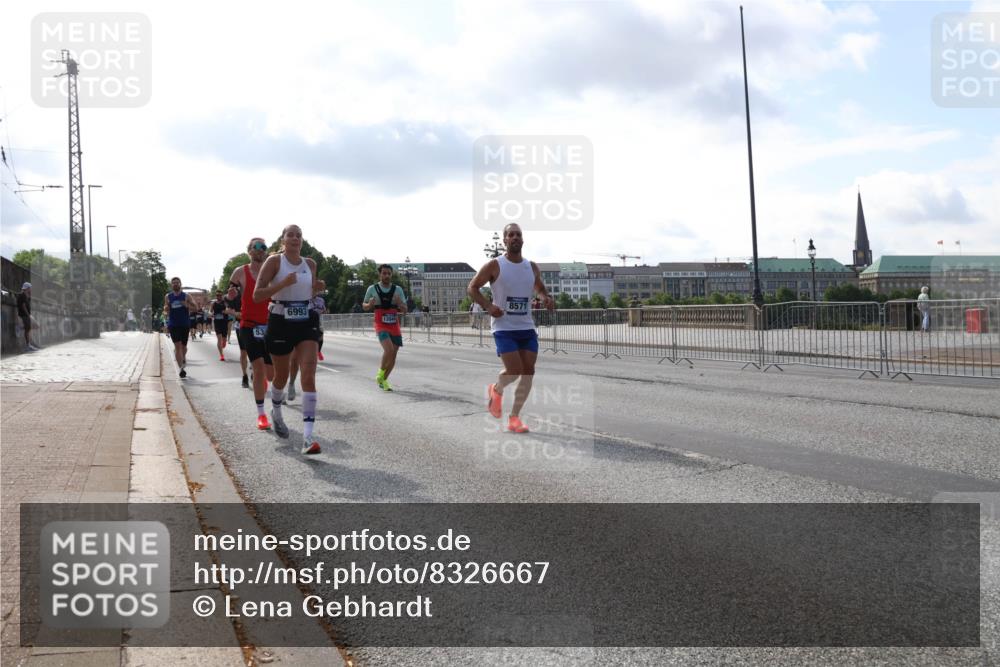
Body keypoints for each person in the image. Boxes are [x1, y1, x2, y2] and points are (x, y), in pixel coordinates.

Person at [468, 223, 554, 433]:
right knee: (514, 370)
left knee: (528, 371)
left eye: (518, 235)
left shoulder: (531, 267)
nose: (515, 237)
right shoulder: (494, 265)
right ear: (505, 240)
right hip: (503, 327)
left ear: (522, 240)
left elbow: (540, 288)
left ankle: (514, 417)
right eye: (511, 235)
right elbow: (472, 288)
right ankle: (497, 389)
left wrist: (545, 298)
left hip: (526, 326)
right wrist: (488, 306)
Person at [253, 225, 326, 454]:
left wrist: (317, 289)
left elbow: (308, 292)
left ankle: (308, 437)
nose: (295, 238)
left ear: (302, 240)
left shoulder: (310, 264)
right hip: (280, 319)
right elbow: (257, 295)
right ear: (283, 240)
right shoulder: (275, 262)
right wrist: (282, 284)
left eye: (299, 235)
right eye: (290, 235)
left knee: (308, 373)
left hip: (306, 320)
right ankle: (276, 410)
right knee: (281, 377)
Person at [230, 238, 277, 429]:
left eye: (263, 247)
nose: (260, 250)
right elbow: (229, 294)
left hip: (271, 325)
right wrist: (231, 297)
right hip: (249, 325)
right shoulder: (240, 271)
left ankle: (261, 380)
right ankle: (261, 415)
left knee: (272, 375)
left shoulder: (273, 271)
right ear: (249, 250)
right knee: (258, 368)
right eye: (256, 247)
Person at [363, 264, 408, 391]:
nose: (386, 275)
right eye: (384, 273)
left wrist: (400, 304)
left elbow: (405, 310)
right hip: (380, 323)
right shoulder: (372, 288)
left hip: (394, 324)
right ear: (380, 274)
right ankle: (380, 374)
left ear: (391, 274)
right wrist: (370, 304)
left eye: (389, 273)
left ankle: (384, 380)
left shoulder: (397, 289)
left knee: (393, 355)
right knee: (388, 350)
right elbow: (364, 306)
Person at [163, 277, 198, 377]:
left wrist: (186, 305)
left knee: (183, 348)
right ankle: (181, 368)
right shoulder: (168, 296)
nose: (175, 284)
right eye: (173, 283)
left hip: (184, 324)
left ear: (180, 284)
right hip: (173, 324)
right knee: (177, 346)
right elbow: (166, 310)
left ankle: (182, 357)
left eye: (177, 283)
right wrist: (166, 309)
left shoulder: (187, 296)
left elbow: (195, 308)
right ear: (171, 285)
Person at [16, 282, 39, 351]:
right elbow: (23, 306)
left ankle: (30, 343)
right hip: (24, 315)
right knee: (28, 329)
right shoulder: (22, 295)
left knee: (35, 326)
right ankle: (28, 345)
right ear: (27, 288)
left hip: (27, 315)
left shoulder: (26, 296)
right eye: (30, 288)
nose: (31, 289)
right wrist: (28, 315)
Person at [210, 291, 229, 361]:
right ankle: (221, 355)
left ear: (222, 296)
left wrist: (225, 311)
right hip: (217, 322)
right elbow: (211, 311)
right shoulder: (213, 303)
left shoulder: (225, 303)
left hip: (224, 322)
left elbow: (228, 309)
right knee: (219, 339)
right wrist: (211, 314)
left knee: (224, 340)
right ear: (216, 296)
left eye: (220, 295)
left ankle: (224, 342)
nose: (219, 297)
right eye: (217, 295)